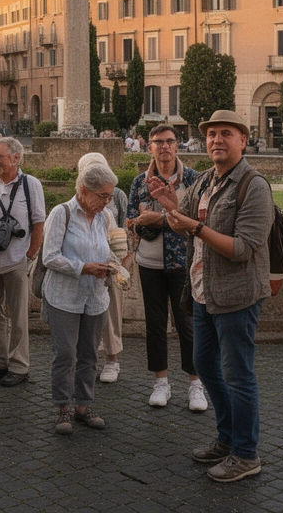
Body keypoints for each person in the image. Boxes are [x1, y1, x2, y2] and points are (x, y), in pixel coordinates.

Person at [155, 109, 275, 483]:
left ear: (243, 139)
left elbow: (243, 248)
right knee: (204, 365)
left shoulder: (253, 186)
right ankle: (226, 438)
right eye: (211, 135)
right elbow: (184, 217)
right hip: (204, 292)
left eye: (226, 134)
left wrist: (196, 227)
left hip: (237, 296)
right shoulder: (206, 180)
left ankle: (245, 453)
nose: (217, 140)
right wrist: (170, 206)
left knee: (238, 374)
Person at [127, 123, 206, 411]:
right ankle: (161, 382)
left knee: (188, 326)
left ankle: (195, 384)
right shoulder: (139, 182)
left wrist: (157, 219)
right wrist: (138, 222)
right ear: (149, 147)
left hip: (184, 263)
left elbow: (199, 222)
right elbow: (128, 221)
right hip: (149, 263)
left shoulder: (194, 179)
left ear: (177, 145)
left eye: (169, 141)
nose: (164, 146)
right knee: (155, 325)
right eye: (158, 142)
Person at [42, 163, 119, 435]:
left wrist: (113, 267)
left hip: (95, 297)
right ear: (84, 191)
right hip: (64, 297)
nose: (107, 201)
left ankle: (84, 406)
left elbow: (112, 251)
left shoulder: (105, 217)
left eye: (110, 196)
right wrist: (84, 268)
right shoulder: (61, 213)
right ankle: (62, 407)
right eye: (102, 196)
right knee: (65, 354)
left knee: (89, 354)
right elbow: (49, 257)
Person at [0, 136, 45, 388]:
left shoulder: (30, 184)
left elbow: (38, 223)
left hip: (17, 260)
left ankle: (19, 365)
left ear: (16, 158)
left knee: (18, 316)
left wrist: (29, 256)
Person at [77, 152, 130, 383]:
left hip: (111, 266)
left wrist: (122, 265)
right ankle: (87, 361)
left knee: (112, 315)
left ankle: (112, 360)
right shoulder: (77, 201)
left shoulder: (117, 195)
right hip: (84, 267)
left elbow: (125, 230)